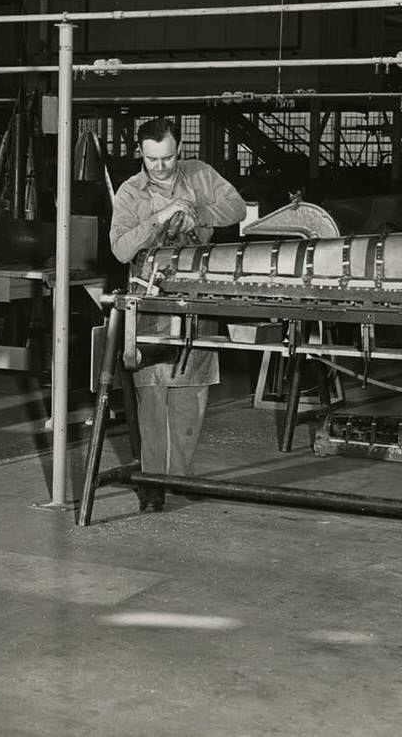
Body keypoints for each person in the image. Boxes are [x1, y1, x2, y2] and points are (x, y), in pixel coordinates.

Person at [109, 117, 246, 512]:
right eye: (152, 160)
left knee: (191, 391)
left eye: (167, 157)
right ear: (141, 153)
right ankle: (152, 484)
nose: (161, 166)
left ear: (179, 147)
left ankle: (180, 477)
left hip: (197, 295)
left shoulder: (200, 174)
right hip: (150, 302)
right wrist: (162, 216)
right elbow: (120, 249)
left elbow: (236, 207)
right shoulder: (131, 191)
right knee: (151, 396)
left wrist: (196, 211)